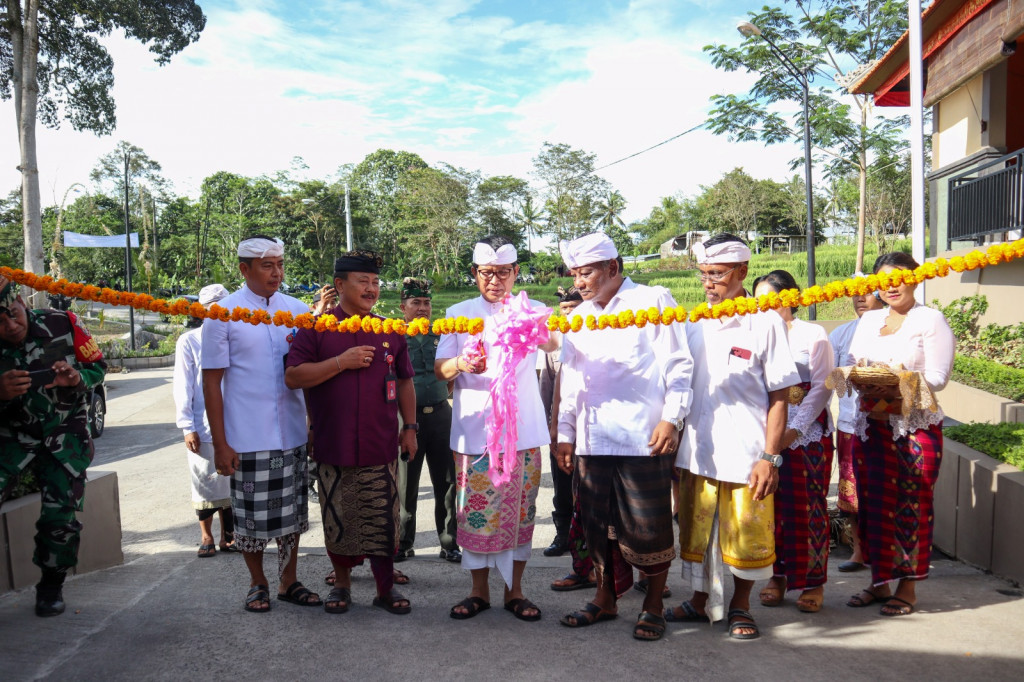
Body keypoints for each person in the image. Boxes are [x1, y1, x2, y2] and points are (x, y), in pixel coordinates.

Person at [555, 232, 694, 642]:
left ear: (613, 268)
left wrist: (672, 418)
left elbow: (679, 363)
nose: (580, 282)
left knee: (649, 526)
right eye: (575, 274)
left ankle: (653, 605)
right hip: (592, 441)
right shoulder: (578, 316)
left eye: (588, 272)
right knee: (596, 526)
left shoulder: (652, 300)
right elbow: (571, 380)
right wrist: (565, 432)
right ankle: (605, 597)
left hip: (642, 438)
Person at [671, 233, 800, 640]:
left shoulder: (765, 323)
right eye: (704, 273)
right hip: (697, 449)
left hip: (747, 453)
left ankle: (740, 605)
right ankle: (698, 600)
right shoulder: (693, 323)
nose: (708, 282)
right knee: (697, 530)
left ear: (743, 271)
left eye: (718, 274)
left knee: (747, 534)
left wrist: (770, 456)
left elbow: (781, 398)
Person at [285, 250, 418, 616]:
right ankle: (341, 585)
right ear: (340, 285)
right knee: (337, 517)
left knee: (382, 517)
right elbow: (294, 376)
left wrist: (409, 427)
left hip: (380, 442)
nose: (372, 288)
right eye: (363, 281)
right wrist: (340, 363)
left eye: (375, 282)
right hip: (333, 441)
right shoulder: (316, 328)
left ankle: (384, 588)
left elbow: (406, 382)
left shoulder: (389, 330)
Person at [435, 235, 556, 622]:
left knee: (522, 515)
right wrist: (461, 365)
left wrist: (536, 326)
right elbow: (440, 370)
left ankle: (515, 592)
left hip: (523, 434)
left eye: (504, 272)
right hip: (475, 435)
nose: (495, 280)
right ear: (475, 274)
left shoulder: (533, 309)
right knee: (474, 514)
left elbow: (555, 345)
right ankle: (478, 592)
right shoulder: (458, 313)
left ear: (516, 272)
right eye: (487, 273)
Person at [202, 236, 322, 613]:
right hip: (248, 434)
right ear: (244, 269)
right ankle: (258, 582)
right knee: (251, 518)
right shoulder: (223, 314)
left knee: (293, 514)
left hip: (292, 431)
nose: (277, 272)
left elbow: (306, 374)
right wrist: (220, 443)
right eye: (267, 265)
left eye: (280, 264)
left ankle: (289, 581)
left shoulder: (298, 310)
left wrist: (313, 424)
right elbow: (211, 382)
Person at [844, 252, 955, 616]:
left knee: (910, 507)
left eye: (900, 277)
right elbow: (856, 360)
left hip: (913, 429)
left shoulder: (930, 319)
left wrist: (900, 377)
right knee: (872, 505)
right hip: (871, 427)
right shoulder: (871, 318)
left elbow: (937, 378)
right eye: (884, 279)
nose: (891, 285)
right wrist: (862, 373)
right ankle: (879, 583)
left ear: (916, 278)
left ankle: (907, 588)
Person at [0, 275, 106, 616]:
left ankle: (50, 587)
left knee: (59, 519)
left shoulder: (61, 322)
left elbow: (97, 367)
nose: (10, 325)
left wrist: (77, 378)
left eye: (12, 313)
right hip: (11, 437)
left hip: (63, 434)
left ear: (21, 301)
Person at [752, 270, 835, 613]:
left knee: (808, 509)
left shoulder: (812, 334)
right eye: (757, 301)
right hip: (767, 433)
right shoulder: (756, 333)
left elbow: (823, 386)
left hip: (806, 436)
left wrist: (794, 431)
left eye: (770, 300)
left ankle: (813, 582)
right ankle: (778, 576)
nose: (763, 307)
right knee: (772, 510)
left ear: (791, 297)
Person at [395, 276, 461, 563]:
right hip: (407, 421)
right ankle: (403, 542)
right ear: (403, 307)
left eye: (426, 303)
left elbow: (453, 372)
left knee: (446, 483)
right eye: (416, 303)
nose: (422, 308)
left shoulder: (442, 333)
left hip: (441, 415)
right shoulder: (395, 335)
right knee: (405, 485)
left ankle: (449, 543)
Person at [173, 283, 237, 558]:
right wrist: (187, 426)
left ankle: (229, 536)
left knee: (231, 482)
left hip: (235, 423)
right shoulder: (190, 341)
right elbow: (183, 385)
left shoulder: (236, 337)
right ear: (202, 312)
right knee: (204, 481)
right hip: (203, 424)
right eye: (214, 309)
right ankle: (206, 535)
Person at [828, 280, 885, 572]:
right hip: (851, 422)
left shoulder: (893, 328)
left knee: (882, 489)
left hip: (886, 421)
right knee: (851, 492)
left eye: (866, 292)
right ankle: (859, 551)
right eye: (855, 293)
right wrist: (850, 376)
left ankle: (884, 552)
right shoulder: (840, 334)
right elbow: (836, 385)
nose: (860, 298)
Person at [538, 285, 582, 559]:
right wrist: (547, 425)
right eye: (564, 309)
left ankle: (586, 539)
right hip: (560, 426)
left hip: (589, 424)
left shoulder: (602, 332)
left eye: (573, 308)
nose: (567, 313)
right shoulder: (554, 340)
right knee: (562, 483)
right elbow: (547, 384)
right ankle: (562, 534)